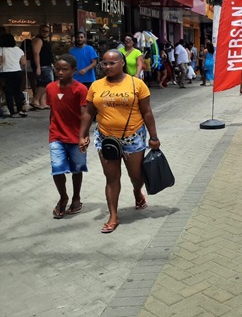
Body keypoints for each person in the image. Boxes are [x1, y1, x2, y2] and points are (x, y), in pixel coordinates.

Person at [79, 50, 161, 234]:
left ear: (122, 63)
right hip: (106, 138)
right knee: (112, 178)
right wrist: (82, 135)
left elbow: (147, 112)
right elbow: (88, 113)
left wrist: (153, 137)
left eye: (112, 63)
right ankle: (113, 216)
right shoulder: (96, 86)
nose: (107, 67)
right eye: (104, 63)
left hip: (133, 136)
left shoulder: (137, 84)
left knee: (136, 175)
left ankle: (137, 192)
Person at [47, 54, 88, 219]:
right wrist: (52, 129)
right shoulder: (50, 88)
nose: (60, 72)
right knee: (57, 168)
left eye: (65, 69)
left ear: (74, 70)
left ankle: (76, 197)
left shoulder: (80, 89)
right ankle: (63, 197)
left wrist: (83, 136)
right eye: (58, 69)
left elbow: (85, 114)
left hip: (76, 136)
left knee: (77, 168)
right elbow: (53, 110)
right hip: (56, 135)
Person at [0, 32, 27, 117]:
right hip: (17, 72)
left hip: (5, 73)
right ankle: (20, 110)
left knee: (8, 93)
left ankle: (12, 112)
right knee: (17, 92)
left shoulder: (1, 49)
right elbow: (23, 63)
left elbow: (1, 61)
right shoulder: (18, 49)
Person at [31, 24, 55, 110]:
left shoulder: (45, 41)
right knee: (46, 83)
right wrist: (38, 66)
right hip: (42, 65)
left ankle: (42, 102)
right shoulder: (38, 40)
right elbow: (36, 53)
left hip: (47, 64)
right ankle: (36, 99)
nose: (45, 33)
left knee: (43, 83)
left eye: (47, 31)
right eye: (43, 31)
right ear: (40, 31)